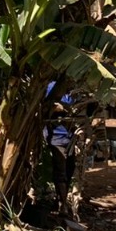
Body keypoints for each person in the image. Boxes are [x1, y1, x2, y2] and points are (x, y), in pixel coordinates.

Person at [44, 81, 77, 216]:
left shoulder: (73, 92)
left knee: (70, 169)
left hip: (70, 137)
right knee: (61, 171)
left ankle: (62, 200)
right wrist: (56, 108)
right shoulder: (52, 87)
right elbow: (45, 106)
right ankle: (62, 204)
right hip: (56, 136)